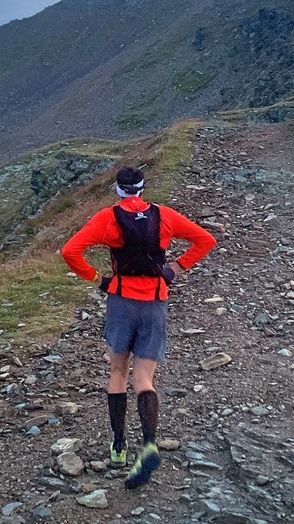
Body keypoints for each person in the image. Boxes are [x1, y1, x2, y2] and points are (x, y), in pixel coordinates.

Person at [61, 166, 216, 489]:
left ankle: (119, 446)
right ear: (143, 189)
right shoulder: (165, 216)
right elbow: (205, 239)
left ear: (119, 190)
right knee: (144, 378)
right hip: (155, 301)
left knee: (118, 371)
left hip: (121, 300)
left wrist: (98, 279)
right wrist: (176, 267)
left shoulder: (107, 218)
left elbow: (70, 251)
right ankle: (149, 445)